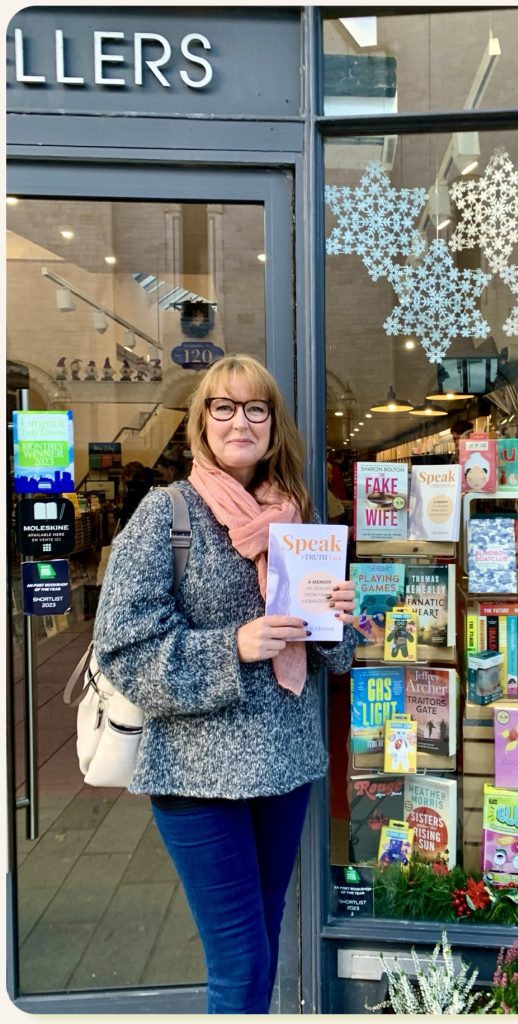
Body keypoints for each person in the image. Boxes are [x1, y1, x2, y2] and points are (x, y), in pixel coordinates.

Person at [93, 354, 356, 1014]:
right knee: (238, 963)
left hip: (284, 765)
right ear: (201, 423)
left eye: (256, 408)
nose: (241, 420)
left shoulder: (296, 517)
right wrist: (232, 646)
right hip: (195, 776)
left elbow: (330, 655)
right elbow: (123, 647)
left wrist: (336, 622)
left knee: (262, 944)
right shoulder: (166, 515)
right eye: (224, 407)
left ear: (273, 425)